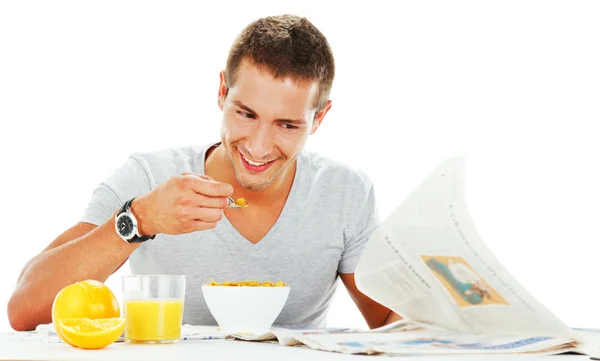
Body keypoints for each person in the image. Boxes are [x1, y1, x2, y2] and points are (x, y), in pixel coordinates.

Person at [7, 14, 401, 332]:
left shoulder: (345, 192)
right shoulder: (149, 176)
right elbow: (25, 309)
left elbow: (389, 322)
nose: (259, 147)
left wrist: (452, 305)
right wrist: (139, 218)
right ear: (221, 92)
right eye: (245, 114)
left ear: (320, 118)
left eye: (287, 125)